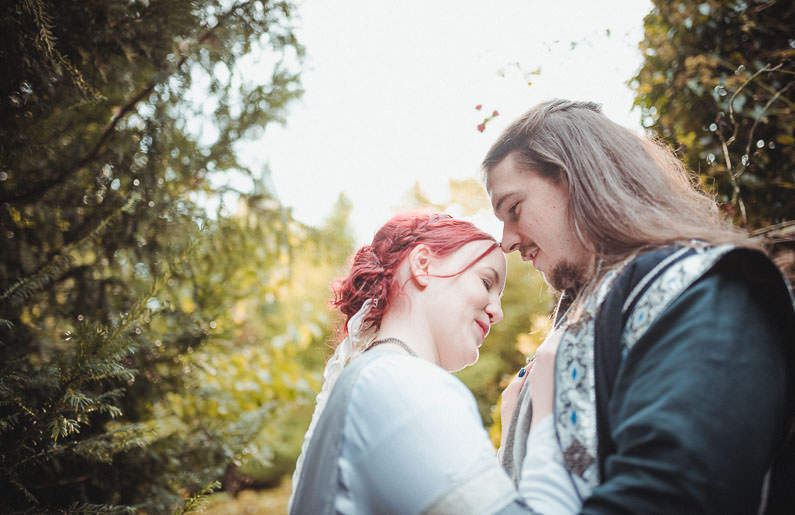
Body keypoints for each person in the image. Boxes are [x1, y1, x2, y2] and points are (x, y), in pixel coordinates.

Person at [485, 99, 795, 514]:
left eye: (514, 208)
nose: (505, 242)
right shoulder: (597, 317)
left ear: (575, 180)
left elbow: (668, 497)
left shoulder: (705, 291)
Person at [289, 211, 561, 514]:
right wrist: (545, 420)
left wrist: (511, 434)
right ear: (422, 265)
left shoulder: (374, 377)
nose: (497, 311)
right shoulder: (399, 382)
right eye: (486, 282)